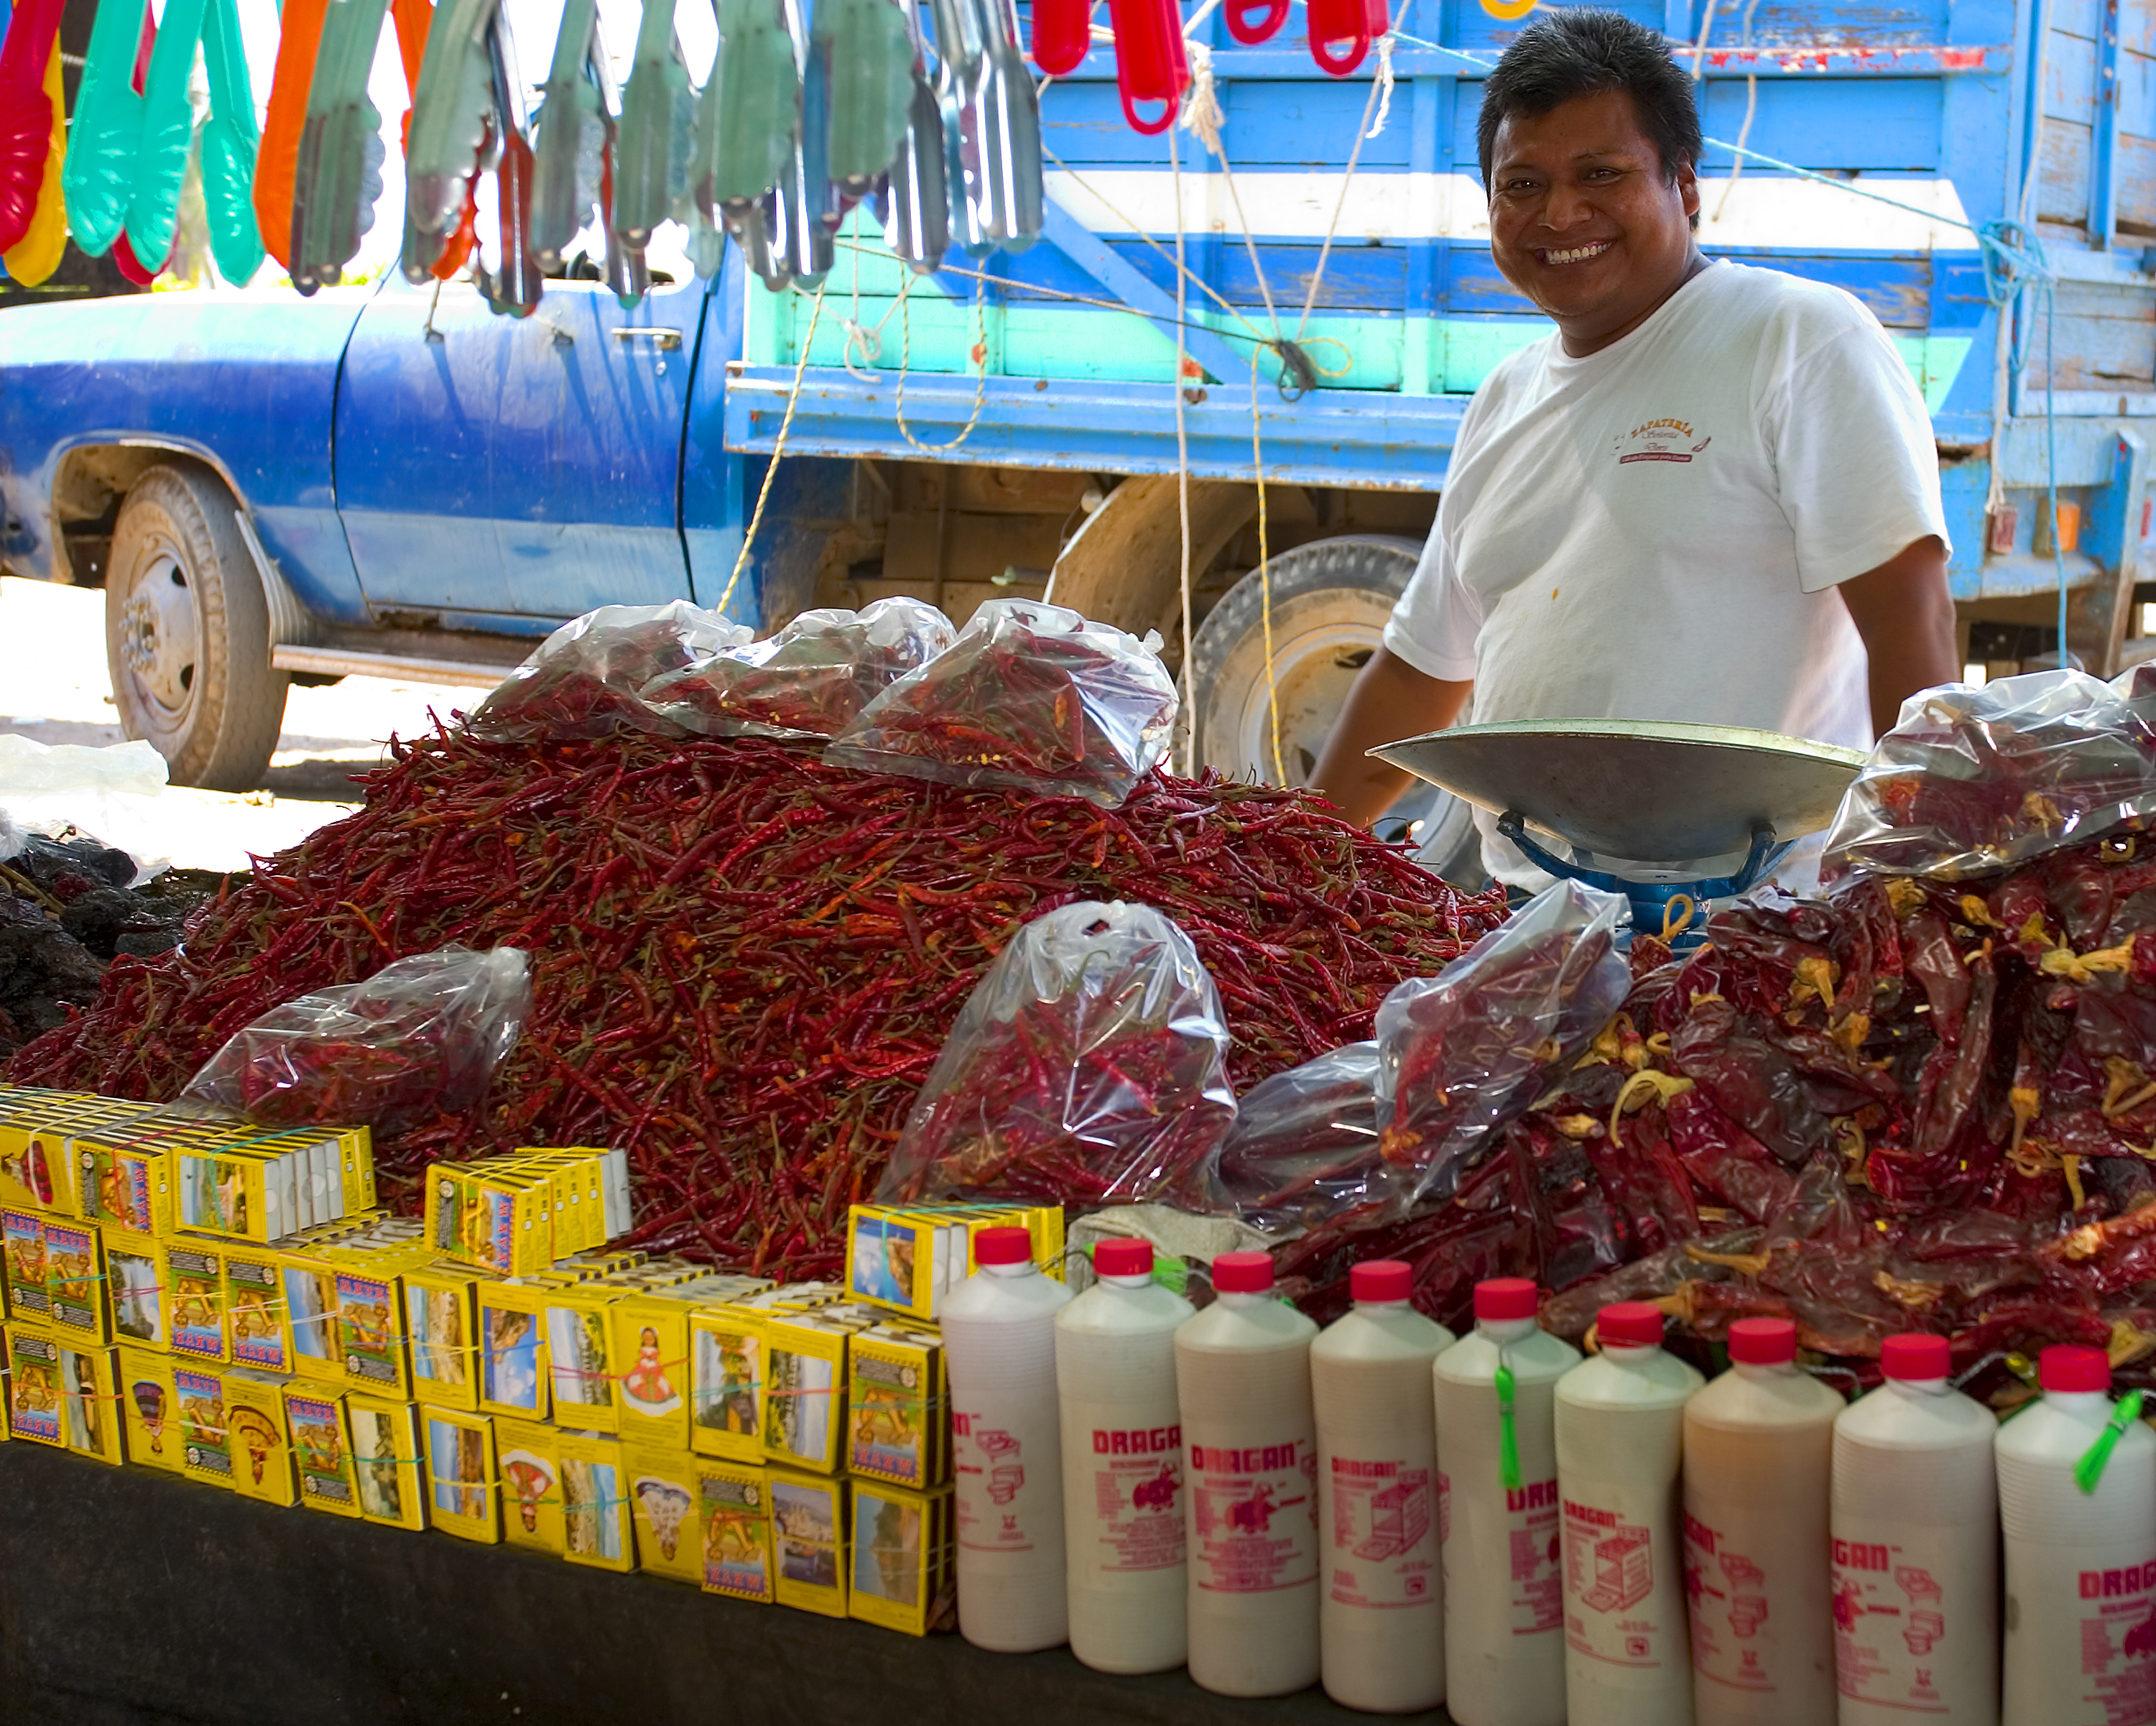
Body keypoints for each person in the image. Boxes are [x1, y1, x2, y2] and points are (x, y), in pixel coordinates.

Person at [1308, 9, 1959, 887]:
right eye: (1522, 184)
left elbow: (1909, 621)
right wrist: (1293, 853)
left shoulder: (1795, 336)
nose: (1559, 213)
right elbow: (1422, 670)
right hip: (1533, 917)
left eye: (1600, 174)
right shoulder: (1504, 395)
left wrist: (1921, 884)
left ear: (1684, 185)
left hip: (1755, 928)